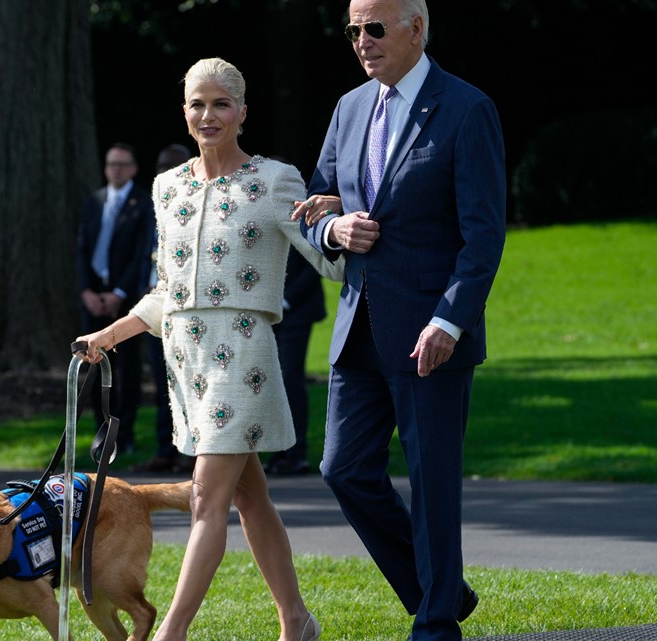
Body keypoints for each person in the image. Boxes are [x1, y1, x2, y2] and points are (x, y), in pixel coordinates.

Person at [75, 57, 342, 641]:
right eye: (198, 103)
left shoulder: (274, 179)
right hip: (186, 364)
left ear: (243, 112)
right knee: (251, 497)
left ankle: (170, 634)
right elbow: (167, 292)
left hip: (243, 357)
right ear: (185, 112)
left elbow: (329, 259)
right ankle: (297, 621)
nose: (209, 114)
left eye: (221, 103)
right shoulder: (167, 187)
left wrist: (344, 221)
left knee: (205, 499)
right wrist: (107, 336)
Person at [292, 1, 506, 639]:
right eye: (354, 29)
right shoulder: (350, 107)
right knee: (343, 468)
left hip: (430, 336)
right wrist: (335, 227)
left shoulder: (467, 110)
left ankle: (435, 624)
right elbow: (315, 201)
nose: (362, 41)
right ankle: (438, 591)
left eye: (375, 28)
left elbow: (484, 236)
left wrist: (450, 321)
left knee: (434, 482)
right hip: (358, 327)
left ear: (417, 27)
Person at [75, 142, 155, 454]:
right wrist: (86, 291)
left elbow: (140, 255)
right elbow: (82, 249)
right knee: (92, 364)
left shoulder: (143, 203)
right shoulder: (95, 201)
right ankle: (101, 431)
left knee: (128, 369)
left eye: (122, 165)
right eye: (111, 164)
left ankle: (126, 432)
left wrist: (120, 293)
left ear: (133, 169)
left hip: (126, 300)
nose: (115, 170)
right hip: (94, 295)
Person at [134, 143, 195, 474]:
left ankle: (191, 451)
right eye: (159, 166)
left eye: (170, 166)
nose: (163, 173)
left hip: (186, 311)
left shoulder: (194, 203)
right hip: (155, 306)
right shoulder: (154, 205)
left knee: (187, 383)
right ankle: (165, 449)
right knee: (162, 384)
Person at [264, 247, 326, 476]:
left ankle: (297, 453)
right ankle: (278, 452)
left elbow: (314, 262)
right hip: (266, 309)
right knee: (270, 381)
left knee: (290, 378)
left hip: (297, 309)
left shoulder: (300, 211)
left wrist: (286, 300)